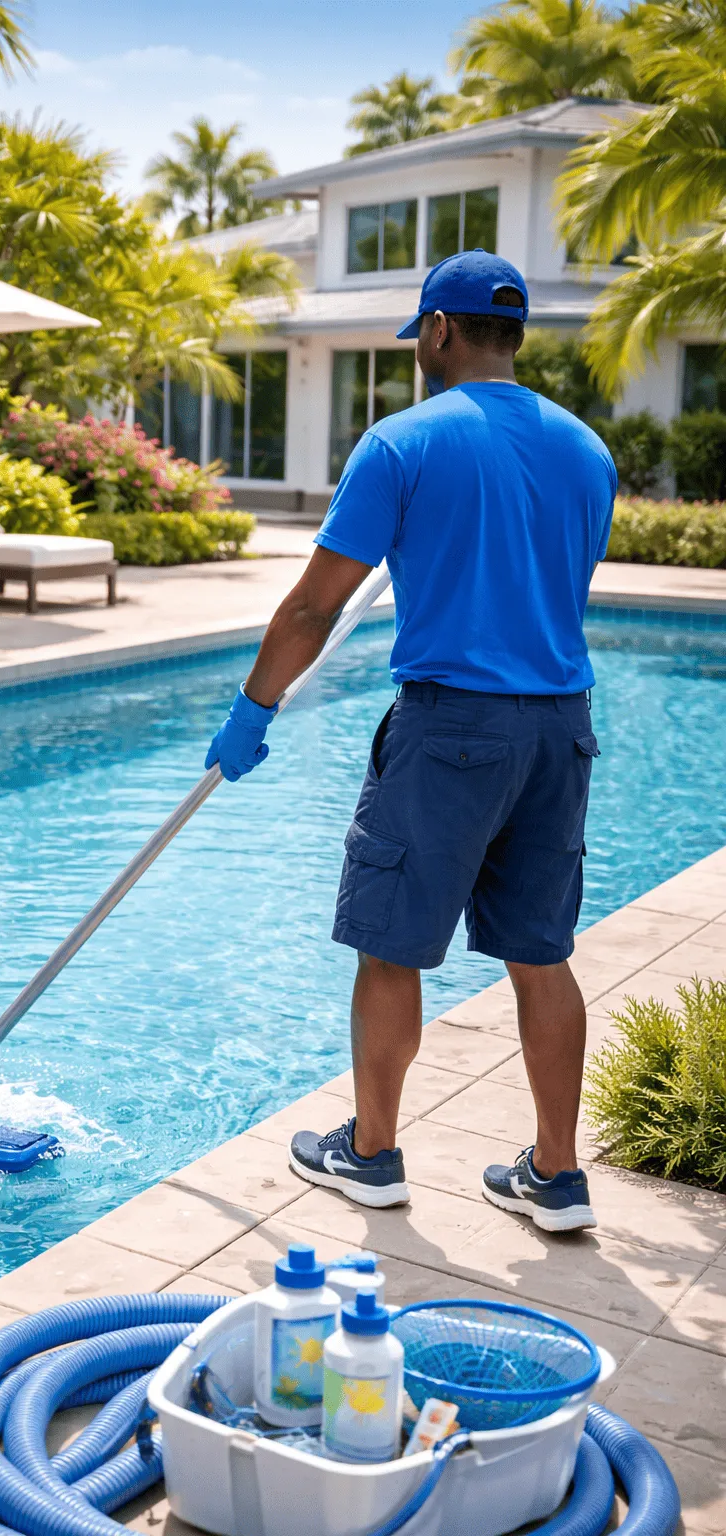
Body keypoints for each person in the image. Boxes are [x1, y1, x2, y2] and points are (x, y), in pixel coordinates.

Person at [205, 250, 616, 1234]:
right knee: (541, 954)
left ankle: (373, 1152)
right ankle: (557, 1176)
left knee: (390, 948)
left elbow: (313, 608)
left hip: (452, 728)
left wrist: (254, 708)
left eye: (419, 334)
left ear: (439, 329)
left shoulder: (401, 443)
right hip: (559, 728)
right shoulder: (588, 452)